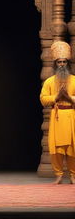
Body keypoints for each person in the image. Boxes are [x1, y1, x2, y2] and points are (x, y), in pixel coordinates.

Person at [40, 41, 75, 184]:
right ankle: (59, 174)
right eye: (59, 62)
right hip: (57, 117)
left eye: (64, 62)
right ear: (55, 64)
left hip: (71, 116)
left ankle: (73, 175)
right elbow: (43, 99)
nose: (62, 64)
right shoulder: (49, 81)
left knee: (72, 147)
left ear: (68, 63)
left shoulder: (74, 80)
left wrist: (69, 97)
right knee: (57, 148)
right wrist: (56, 97)